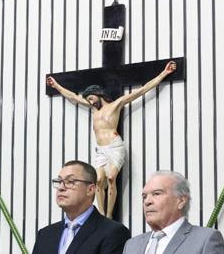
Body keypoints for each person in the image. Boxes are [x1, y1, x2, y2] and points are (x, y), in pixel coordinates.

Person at [46, 61, 176, 216]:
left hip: (114, 146)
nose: (90, 101)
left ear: (99, 94)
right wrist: (56, 86)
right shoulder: (94, 110)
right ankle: (102, 213)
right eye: (88, 100)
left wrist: (164, 73)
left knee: (111, 177)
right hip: (101, 149)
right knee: (99, 181)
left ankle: (109, 214)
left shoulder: (115, 105)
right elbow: (73, 97)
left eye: (92, 98)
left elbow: (141, 91)